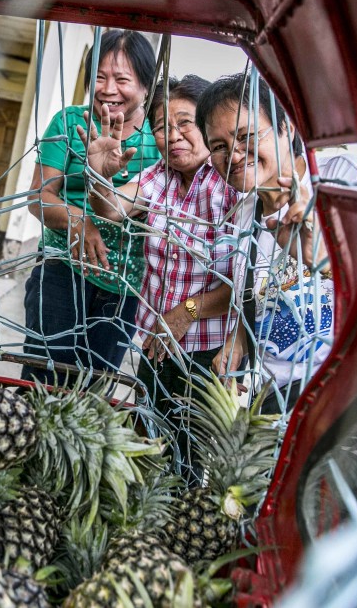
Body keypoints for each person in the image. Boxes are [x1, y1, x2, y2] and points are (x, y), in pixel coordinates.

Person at [78, 75, 236, 470]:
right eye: (163, 126)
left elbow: (246, 286)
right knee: (153, 446)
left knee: (193, 459)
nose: (174, 135)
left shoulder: (229, 186)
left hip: (208, 354)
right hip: (155, 345)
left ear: (206, 127)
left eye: (185, 122)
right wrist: (99, 176)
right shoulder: (158, 178)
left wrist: (186, 313)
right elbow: (111, 208)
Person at [196, 72, 357, 413]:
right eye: (219, 146)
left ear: (286, 128)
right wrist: (239, 340)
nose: (235, 155)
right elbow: (260, 297)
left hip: (351, 394)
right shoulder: (245, 216)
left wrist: (322, 258)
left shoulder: (341, 181)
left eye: (247, 137)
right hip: (279, 399)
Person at [23, 30, 161, 385]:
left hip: (125, 288)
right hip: (61, 270)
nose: (108, 88)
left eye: (122, 79)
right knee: (42, 379)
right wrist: (78, 220)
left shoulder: (159, 138)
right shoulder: (69, 123)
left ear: (146, 86)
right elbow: (39, 197)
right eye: (99, 77)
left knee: (93, 391)